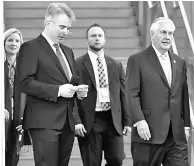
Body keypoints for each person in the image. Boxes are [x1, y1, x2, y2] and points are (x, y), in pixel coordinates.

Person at [16, 3, 87, 166]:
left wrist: (78, 90)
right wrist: (58, 91)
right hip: (44, 121)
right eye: (62, 27)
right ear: (48, 23)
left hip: (67, 122)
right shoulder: (30, 47)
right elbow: (24, 83)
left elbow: (71, 81)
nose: (66, 32)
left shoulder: (68, 51)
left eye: (68, 28)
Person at [126, 17, 190, 166]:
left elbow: (183, 95)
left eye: (170, 33)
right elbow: (131, 94)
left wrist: (186, 125)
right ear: (152, 34)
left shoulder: (179, 62)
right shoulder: (137, 60)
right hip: (147, 133)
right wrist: (139, 121)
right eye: (163, 32)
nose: (167, 37)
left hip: (175, 136)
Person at [74, 23, 131, 166]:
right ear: (86, 40)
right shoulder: (77, 64)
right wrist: (76, 121)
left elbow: (123, 94)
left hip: (112, 119)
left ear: (105, 40)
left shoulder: (116, 65)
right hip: (90, 120)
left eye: (100, 36)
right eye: (93, 36)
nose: (97, 38)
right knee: (92, 162)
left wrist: (127, 121)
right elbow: (72, 97)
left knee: (117, 159)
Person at [4, 28, 32, 166]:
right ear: (3, 43)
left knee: (13, 158)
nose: (13, 43)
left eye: (17, 41)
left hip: (18, 120)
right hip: (2, 118)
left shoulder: (24, 69)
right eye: (10, 40)